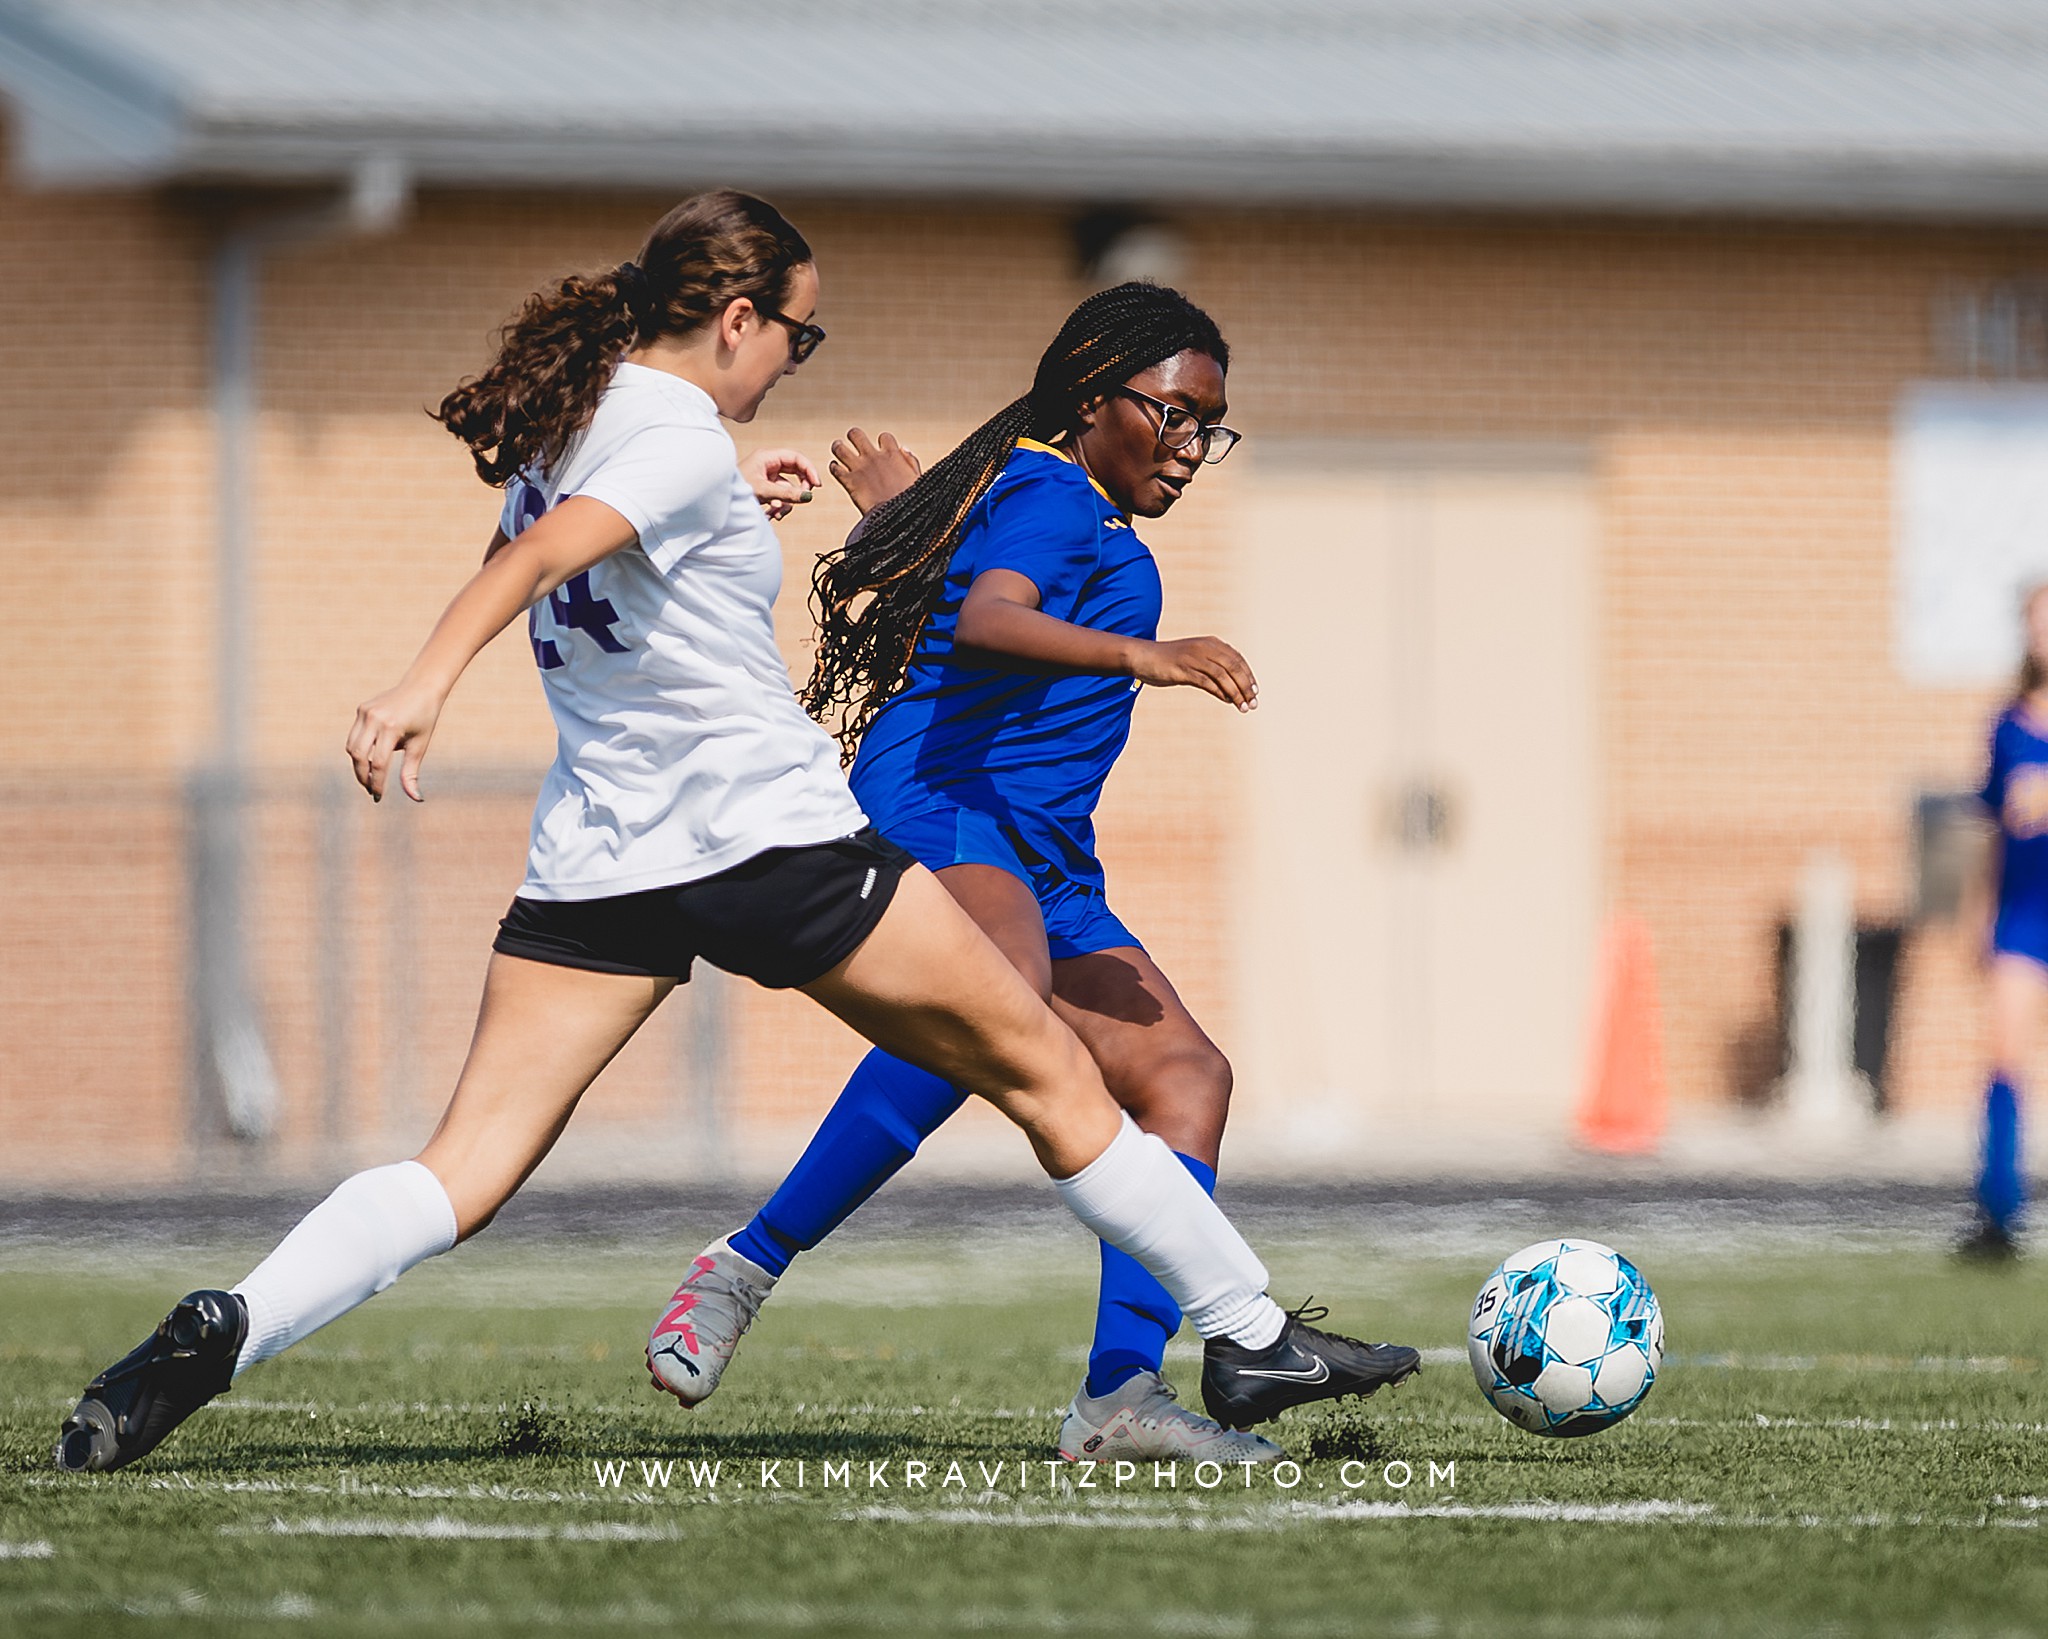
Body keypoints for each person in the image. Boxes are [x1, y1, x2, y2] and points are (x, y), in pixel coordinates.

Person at [54, 191, 1418, 1475]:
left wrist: (730, 508)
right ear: (735, 320)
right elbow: (538, 565)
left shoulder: (579, 432)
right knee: (1051, 1072)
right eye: (797, 334)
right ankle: (1244, 1329)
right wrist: (421, 684)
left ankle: (227, 1326)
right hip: (768, 843)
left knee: (457, 1167)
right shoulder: (665, 438)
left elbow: (559, 550)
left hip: (604, 856)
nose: (792, 363)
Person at [643, 283, 1305, 1463]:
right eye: (1175, 416)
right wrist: (1143, 652)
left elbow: (961, 605)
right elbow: (993, 621)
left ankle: (1117, 1402)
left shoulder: (1061, 503)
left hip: (1040, 847)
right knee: (998, 990)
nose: (1194, 447)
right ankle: (743, 1265)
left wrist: (912, 535)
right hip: (947, 805)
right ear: (1098, 398)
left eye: (1212, 424)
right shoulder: (1055, 495)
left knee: (1186, 1077)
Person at [1962, 583, 2048, 1260]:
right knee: (2004, 1053)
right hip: (2023, 912)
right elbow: (1991, 830)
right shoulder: (2007, 726)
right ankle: (1999, 1213)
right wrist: (1978, 910)